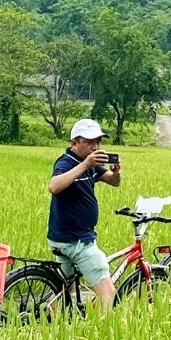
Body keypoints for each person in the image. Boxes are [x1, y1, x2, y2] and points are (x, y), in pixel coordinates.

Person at [47, 118, 122, 312]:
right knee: (108, 293)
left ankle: (44, 319)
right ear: (74, 143)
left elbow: (113, 182)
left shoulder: (91, 161)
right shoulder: (67, 162)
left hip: (66, 237)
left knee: (65, 288)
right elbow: (54, 186)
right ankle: (100, 333)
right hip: (77, 240)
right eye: (89, 142)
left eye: (98, 142)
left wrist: (116, 173)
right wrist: (85, 164)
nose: (95, 146)